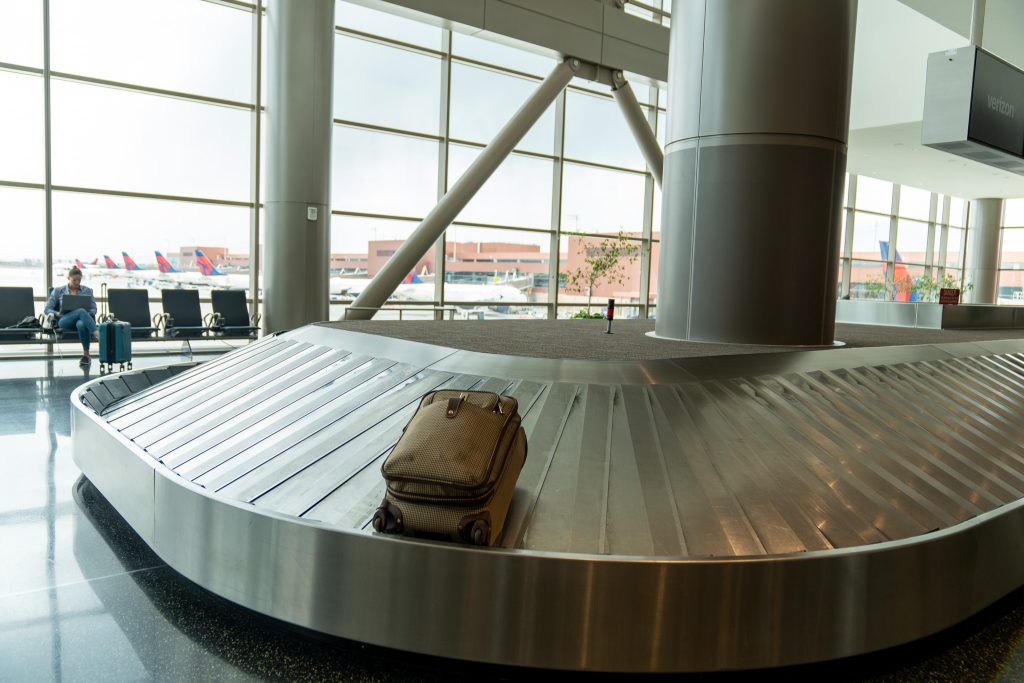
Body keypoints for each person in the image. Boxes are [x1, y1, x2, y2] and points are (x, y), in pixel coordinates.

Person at [44, 266, 98, 366]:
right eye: (74, 280)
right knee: (81, 311)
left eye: (79, 280)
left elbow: (94, 309)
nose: (77, 283)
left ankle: (86, 355)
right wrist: (56, 314)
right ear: (68, 278)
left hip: (82, 320)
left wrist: (86, 315)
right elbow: (47, 309)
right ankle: (97, 334)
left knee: (81, 323)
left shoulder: (87, 290)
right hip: (65, 320)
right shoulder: (58, 291)